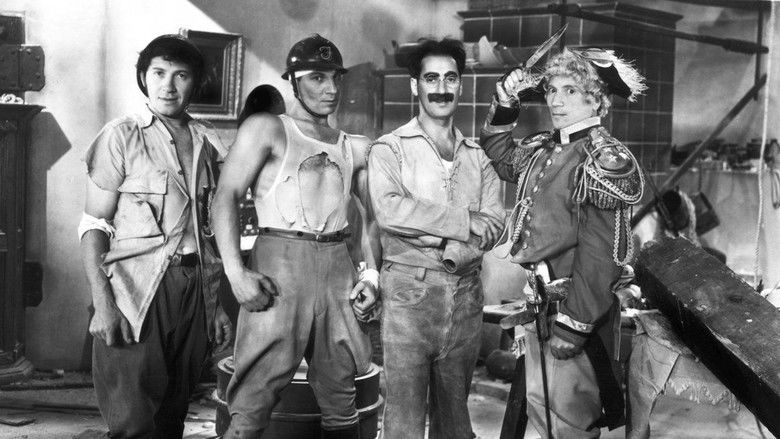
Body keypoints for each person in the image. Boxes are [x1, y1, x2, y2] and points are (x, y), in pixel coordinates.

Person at [211, 34, 380, 439]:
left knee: (342, 398)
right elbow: (225, 197)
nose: (331, 89)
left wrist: (372, 276)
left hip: (337, 269)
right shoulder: (268, 128)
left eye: (335, 78)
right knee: (252, 400)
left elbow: (373, 218)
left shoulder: (355, 147)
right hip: (279, 268)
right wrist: (235, 274)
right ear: (294, 81)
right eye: (318, 78)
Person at [479, 47, 646, 438]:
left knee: (570, 422)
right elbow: (500, 154)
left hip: (575, 310)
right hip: (541, 305)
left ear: (597, 99)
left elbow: (600, 257)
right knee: (544, 415)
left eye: (570, 90)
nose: (555, 100)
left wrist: (574, 326)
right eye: (552, 90)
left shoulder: (603, 160)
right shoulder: (546, 146)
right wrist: (507, 100)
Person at [79, 34, 232, 438]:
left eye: (181, 75)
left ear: (195, 82)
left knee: (172, 416)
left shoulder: (209, 141)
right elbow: (94, 225)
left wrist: (215, 305)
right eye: (159, 73)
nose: (168, 85)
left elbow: (209, 232)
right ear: (144, 77)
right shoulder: (121, 136)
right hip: (137, 290)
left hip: (196, 289)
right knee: (132, 423)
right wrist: (103, 304)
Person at [367, 38, 505, 439]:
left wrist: (435, 242)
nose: (441, 88)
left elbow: (494, 224)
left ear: (461, 84)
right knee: (404, 424)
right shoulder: (390, 149)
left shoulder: (478, 156)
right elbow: (391, 212)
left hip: (466, 299)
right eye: (431, 78)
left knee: (455, 423)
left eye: (450, 78)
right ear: (415, 86)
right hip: (409, 298)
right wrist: (464, 222)